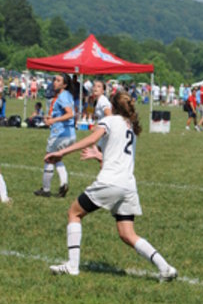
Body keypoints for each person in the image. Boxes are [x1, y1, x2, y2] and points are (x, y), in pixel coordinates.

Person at [47, 91, 177, 281]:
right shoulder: (130, 127)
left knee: (74, 213)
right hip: (128, 185)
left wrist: (62, 153)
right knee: (127, 234)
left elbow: (92, 139)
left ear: (113, 107)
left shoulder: (110, 120)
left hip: (110, 182)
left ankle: (72, 266)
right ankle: (165, 268)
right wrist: (99, 156)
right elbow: (116, 155)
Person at [34, 73, 75, 198]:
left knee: (49, 158)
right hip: (70, 134)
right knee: (57, 159)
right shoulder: (67, 95)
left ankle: (46, 189)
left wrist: (53, 120)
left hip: (60, 134)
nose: (54, 82)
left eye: (58, 80)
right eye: (54, 80)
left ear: (64, 85)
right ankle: (63, 184)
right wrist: (51, 117)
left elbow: (70, 114)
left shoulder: (62, 96)